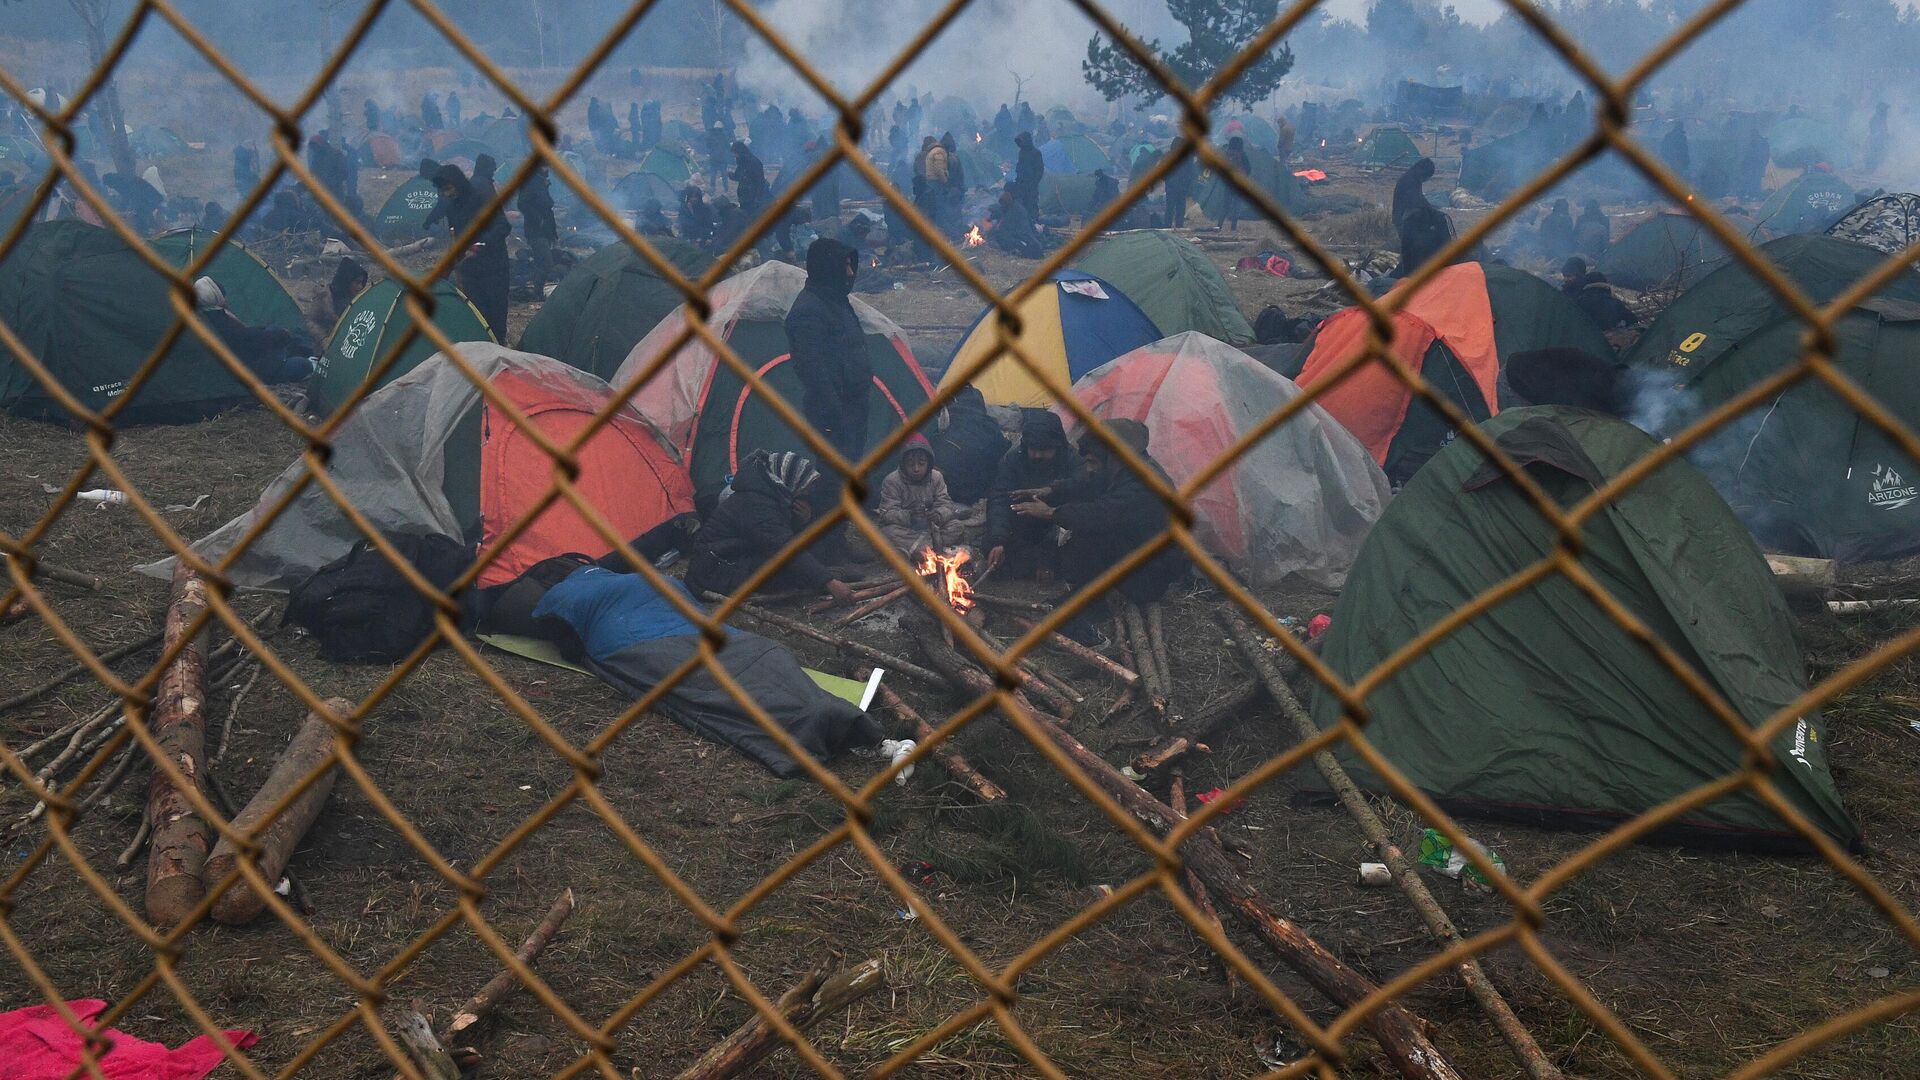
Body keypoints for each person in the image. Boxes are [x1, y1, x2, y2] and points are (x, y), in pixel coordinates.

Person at [1008, 418, 1186, 646]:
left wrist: (1051, 512)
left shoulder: (1143, 485)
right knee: (1084, 541)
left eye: (1092, 461)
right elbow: (1088, 484)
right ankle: (1087, 598)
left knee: (1089, 536)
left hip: (1152, 572)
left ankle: (1092, 608)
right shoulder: (1124, 469)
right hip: (1135, 552)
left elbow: (1101, 514)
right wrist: (1051, 490)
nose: (1090, 468)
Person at [684, 450, 857, 605]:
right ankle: (830, 575)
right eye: (803, 489)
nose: (805, 494)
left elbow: (778, 535)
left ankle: (827, 572)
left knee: (812, 547)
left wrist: (803, 522)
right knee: (789, 570)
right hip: (716, 571)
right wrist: (828, 582)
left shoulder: (769, 495)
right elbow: (783, 547)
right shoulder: (755, 505)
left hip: (738, 558)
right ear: (791, 480)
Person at [785, 238, 871, 478]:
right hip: (833, 411)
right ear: (828, 267)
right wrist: (835, 413)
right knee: (833, 471)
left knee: (851, 466)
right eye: (845, 266)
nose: (851, 272)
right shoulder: (808, 311)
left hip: (854, 405)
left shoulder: (836, 301)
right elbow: (811, 369)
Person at [983, 409, 1074, 581]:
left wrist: (1051, 511)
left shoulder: (1071, 461)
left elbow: (1082, 501)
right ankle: (1034, 564)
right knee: (992, 543)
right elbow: (999, 498)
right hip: (1022, 524)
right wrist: (999, 540)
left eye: (1045, 450)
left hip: (1058, 525)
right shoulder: (1013, 459)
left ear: (1057, 446)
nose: (1038, 455)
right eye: (1034, 449)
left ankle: (1044, 563)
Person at [431, 163, 511, 338]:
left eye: (449, 188)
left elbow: (503, 227)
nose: (447, 194)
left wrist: (480, 245)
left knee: (496, 320)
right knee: (477, 320)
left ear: (457, 182)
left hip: (494, 270)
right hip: (470, 273)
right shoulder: (452, 208)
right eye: (443, 191)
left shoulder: (482, 198)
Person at [192, 277, 318, 384]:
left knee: (276, 332)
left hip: (249, 359)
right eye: (223, 296)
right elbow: (249, 339)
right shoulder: (221, 321)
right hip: (253, 370)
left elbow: (246, 335)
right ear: (215, 297)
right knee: (302, 364)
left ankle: (305, 352)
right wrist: (280, 335)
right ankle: (312, 357)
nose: (226, 299)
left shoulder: (207, 315)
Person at [875, 433, 968, 555]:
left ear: (929, 463)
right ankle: (935, 549)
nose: (916, 469)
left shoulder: (936, 477)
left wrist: (939, 515)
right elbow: (886, 513)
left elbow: (946, 504)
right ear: (903, 464)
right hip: (907, 529)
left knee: (957, 526)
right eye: (910, 464)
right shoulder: (892, 481)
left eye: (921, 463)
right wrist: (910, 516)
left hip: (932, 527)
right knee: (887, 533)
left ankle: (919, 550)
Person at [925, 385, 1007, 507]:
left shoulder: (948, 434)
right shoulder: (991, 426)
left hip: (957, 493)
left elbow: (937, 471)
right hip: (987, 490)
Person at [1560, 257, 1635, 331]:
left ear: (1578, 275)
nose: (1565, 279)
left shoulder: (1587, 296)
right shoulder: (1570, 291)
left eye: (1569, 276)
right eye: (1564, 276)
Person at [519, 164, 558, 287]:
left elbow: (546, 206)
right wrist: (537, 219)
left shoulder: (541, 182)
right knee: (546, 263)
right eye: (544, 166)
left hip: (545, 230)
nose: (547, 169)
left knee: (540, 263)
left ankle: (537, 291)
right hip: (536, 231)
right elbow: (522, 204)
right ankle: (537, 291)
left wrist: (553, 232)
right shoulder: (531, 182)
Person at [989, 188, 1044, 257]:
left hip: (1026, 241)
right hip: (1028, 239)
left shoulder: (1014, 211)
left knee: (1002, 237)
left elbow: (1005, 228)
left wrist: (996, 228)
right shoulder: (1015, 206)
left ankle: (1019, 249)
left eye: (1002, 204)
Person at [1215, 136, 1253, 231]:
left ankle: (1219, 225)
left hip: (1228, 183)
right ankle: (1233, 227)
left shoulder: (1226, 154)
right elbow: (1248, 168)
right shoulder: (1242, 154)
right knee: (1237, 205)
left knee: (1225, 205)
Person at [1391, 156, 1437, 232]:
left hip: (1407, 217)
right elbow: (1413, 202)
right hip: (1402, 220)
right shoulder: (1410, 180)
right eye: (1426, 177)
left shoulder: (1414, 178)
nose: (1425, 180)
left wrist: (1430, 207)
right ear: (1423, 172)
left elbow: (1420, 197)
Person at [1012, 131, 1043, 222]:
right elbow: (1020, 167)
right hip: (1021, 184)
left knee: (1032, 205)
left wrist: (1034, 183)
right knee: (1022, 204)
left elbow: (1039, 170)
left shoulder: (1036, 153)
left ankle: (1034, 223)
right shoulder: (1021, 152)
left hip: (1031, 185)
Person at [1164, 144, 1197, 229]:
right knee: (1180, 206)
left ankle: (1167, 225)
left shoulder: (1168, 156)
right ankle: (1179, 225)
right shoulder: (1188, 157)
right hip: (1182, 186)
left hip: (1171, 186)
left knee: (1170, 207)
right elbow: (1192, 173)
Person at [731, 140, 768, 213]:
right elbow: (738, 176)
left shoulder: (754, 162)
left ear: (740, 151)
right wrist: (732, 175)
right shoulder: (741, 161)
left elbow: (759, 180)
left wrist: (758, 196)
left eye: (735, 153)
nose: (734, 156)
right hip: (743, 194)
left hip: (752, 194)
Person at [328, 256, 367, 321]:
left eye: (362, 283)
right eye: (357, 282)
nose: (361, 287)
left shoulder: (356, 301)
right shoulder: (329, 303)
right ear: (347, 281)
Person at [1866, 103, 1891, 173]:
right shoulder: (1876, 119)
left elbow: (1884, 129)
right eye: (1885, 110)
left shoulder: (1882, 118)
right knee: (1875, 153)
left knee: (1879, 154)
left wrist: (1887, 135)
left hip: (1879, 140)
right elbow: (1874, 131)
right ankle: (1871, 169)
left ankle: (1873, 169)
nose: (1886, 112)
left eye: (1886, 110)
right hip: (1876, 140)